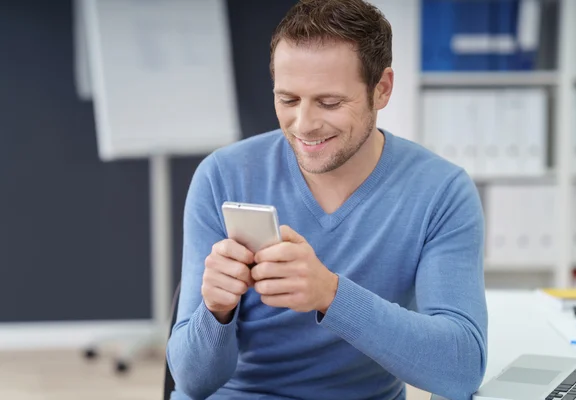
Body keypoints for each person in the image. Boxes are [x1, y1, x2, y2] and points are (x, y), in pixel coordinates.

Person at [166, 0, 488, 399]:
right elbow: (192, 383)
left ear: (381, 89)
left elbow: (461, 371)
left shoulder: (441, 192)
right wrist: (215, 313)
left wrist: (331, 295)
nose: (304, 124)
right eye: (287, 99)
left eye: (330, 103)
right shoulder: (223, 175)